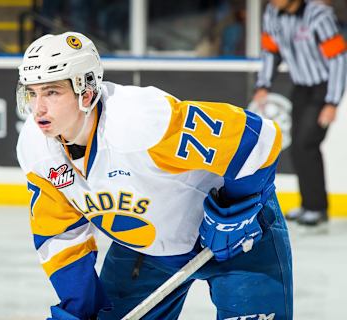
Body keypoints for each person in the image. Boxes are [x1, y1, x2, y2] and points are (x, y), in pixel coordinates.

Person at [16, 32, 292, 319]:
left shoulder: (140, 122)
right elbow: (61, 235)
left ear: (85, 92)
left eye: (51, 92)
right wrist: (79, 309)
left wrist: (235, 211)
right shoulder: (36, 149)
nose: (38, 109)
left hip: (239, 242)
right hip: (143, 253)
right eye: (32, 93)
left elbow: (257, 140)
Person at [253, 0, 347, 227]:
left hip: (323, 88)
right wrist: (263, 84)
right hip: (301, 88)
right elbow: (270, 51)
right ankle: (308, 205)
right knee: (297, 148)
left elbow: (338, 59)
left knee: (306, 144)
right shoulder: (272, 14)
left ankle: (317, 208)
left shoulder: (319, 15)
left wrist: (332, 101)